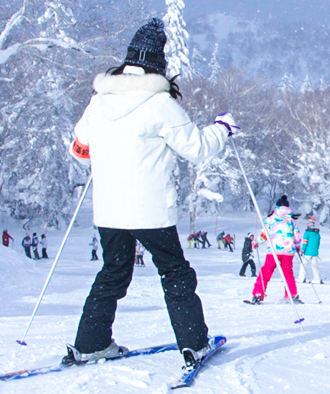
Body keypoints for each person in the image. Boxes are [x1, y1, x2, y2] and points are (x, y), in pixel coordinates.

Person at [64, 18, 239, 372]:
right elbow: (197, 149)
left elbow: (79, 150)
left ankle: (90, 344)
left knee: (112, 273)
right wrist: (223, 129)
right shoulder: (159, 104)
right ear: (158, 65)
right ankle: (193, 344)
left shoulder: (99, 103)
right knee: (174, 273)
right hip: (149, 209)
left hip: (109, 210)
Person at [250, 195, 303, 305]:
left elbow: (264, 235)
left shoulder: (271, 219)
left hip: (274, 251)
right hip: (288, 252)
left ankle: (258, 294)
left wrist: (256, 242)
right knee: (287, 272)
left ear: (277, 207)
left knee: (266, 271)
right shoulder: (291, 220)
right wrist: (298, 246)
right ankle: (291, 294)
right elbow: (297, 236)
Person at [298, 216, 322, 284]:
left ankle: (301, 279)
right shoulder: (317, 234)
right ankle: (317, 279)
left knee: (303, 265)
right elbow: (318, 244)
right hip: (315, 252)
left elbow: (305, 243)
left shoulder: (307, 233)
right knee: (314, 265)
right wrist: (315, 250)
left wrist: (302, 250)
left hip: (307, 252)